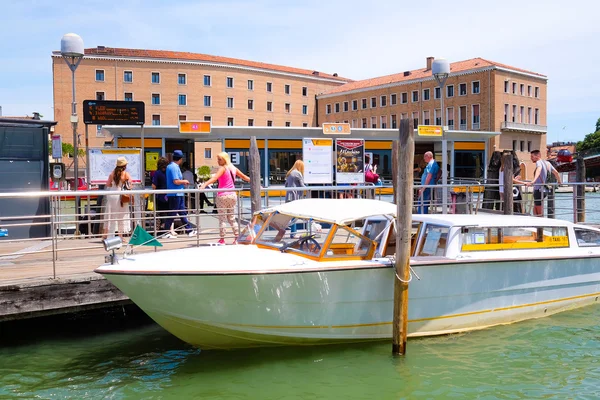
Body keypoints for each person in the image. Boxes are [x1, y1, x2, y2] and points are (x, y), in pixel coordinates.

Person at [200, 152, 250, 244]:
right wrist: (256, 182)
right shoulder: (233, 168)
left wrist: (204, 185)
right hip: (232, 195)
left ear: (224, 159)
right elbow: (244, 177)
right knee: (232, 218)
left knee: (222, 218)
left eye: (219, 159)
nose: (218, 161)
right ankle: (236, 237)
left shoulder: (223, 168)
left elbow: (215, 178)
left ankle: (222, 239)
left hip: (222, 195)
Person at [163, 150, 195, 238]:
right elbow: (175, 181)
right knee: (172, 213)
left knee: (182, 213)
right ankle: (166, 232)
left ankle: (189, 230)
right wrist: (184, 181)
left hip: (178, 193)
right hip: (175, 194)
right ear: (180, 159)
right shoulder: (173, 167)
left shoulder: (172, 166)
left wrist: (182, 182)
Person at [525, 149, 562, 217]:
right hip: (545, 190)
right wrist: (559, 182)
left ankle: (540, 225)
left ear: (537, 156)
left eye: (532, 157)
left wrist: (533, 181)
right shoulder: (548, 163)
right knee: (535, 208)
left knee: (538, 211)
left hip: (539, 189)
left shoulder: (538, 162)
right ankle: (538, 224)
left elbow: (539, 170)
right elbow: (556, 173)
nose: (531, 159)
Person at [103, 156, 132, 239]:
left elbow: (108, 184)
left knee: (111, 215)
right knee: (121, 216)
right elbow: (130, 184)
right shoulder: (125, 174)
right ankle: (120, 236)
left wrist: (113, 184)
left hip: (112, 194)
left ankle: (108, 235)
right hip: (121, 195)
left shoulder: (112, 173)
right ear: (124, 166)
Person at [285, 160, 306, 238]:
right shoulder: (298, 173)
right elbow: (302, 185)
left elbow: (286, 185)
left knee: (291, 215)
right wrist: (310, 189)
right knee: (294, 216)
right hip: (295, 197)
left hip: (289, 196)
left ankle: (290, 232)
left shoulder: (290, 173)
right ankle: (293, 233)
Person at [151, 157, 170, 233]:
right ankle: (167, 229)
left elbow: (154, 186)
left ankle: (158, 230)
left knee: (159, 213)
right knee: (168, 213)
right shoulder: (169, 172)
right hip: (169, 195)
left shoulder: (157, 173)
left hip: (160, 196)